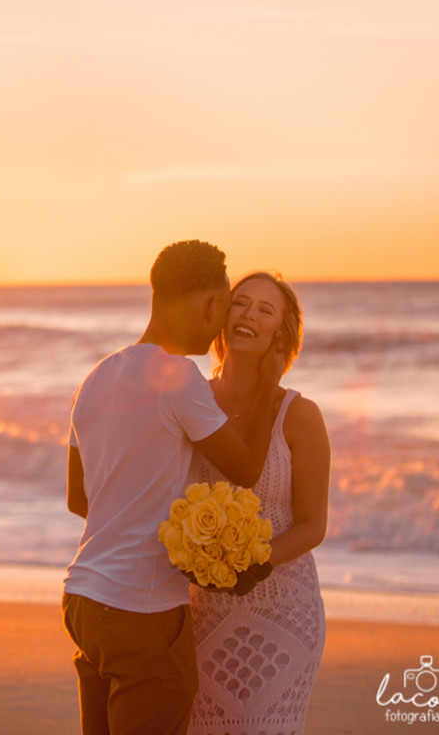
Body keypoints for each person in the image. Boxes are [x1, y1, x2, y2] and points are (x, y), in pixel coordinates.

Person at [63, 241, 283, 735]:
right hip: (142, 612)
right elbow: (246, 468)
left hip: (83, 598)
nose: (223, 324)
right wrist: (269, 379)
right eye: (225, 308)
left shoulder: (95, 378)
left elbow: (80, 500)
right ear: (210, 305)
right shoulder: (179, 377)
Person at [187, 272, 330, 735]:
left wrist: (256, 564)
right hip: (200, 616)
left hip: (282, 615)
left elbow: (312, 526)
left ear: (280, 335)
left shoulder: (299, 415)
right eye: (240, 303)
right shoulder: (190, 402)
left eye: (265, 310)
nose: (248, 314)